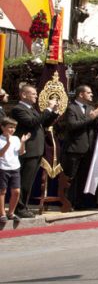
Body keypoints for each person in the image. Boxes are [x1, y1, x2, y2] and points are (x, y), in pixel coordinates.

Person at [11, 84, 59, 218]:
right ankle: (19, 208)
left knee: (29, 180)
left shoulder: (32, 109)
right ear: (23, 95)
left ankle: (23, 206)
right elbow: (32, 122)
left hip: (37, 149)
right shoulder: (18, 109)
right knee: (24, 181)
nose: (36, 96)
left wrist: (53, 112)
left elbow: (43, 124)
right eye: (33, 93)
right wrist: (48, 109)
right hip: (28, 150)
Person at [61, 85, 98, 210]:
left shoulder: (90, 108)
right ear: (81, 94)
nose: (91, 95)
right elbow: (73, 125)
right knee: (71, 177)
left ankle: (81, 202)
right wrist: (91, 116)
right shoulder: (71, 108)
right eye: (89, 93)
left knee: (83, 177)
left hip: (88, 148)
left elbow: (95, 127)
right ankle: (68, 202)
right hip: (74, 148)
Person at [0, 118, 31, 223]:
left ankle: (11, 213)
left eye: (14, 127)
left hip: (15, 167)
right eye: (10, 127)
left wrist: (23, 142)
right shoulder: (0, 139)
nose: (12, 130)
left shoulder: (16, 138)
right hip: (3, 168)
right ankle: (2, 214)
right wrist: (7, 143)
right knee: (2, 191)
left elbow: (21, 152)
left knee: (16, 191)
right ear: (3, 127)